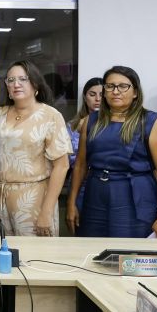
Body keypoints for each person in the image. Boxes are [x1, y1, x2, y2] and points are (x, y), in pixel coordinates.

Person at [67, 66, 157, 238]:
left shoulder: (151, 122)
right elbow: (80, 165)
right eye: (110, 86)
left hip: (134, 196)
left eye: (123, 86)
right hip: (94, 196)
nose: (115, 91)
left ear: (135, 92)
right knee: (92, 247)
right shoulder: (91, 120)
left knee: (129, 249)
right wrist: (72, 203)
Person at [0, 61, 71, 238]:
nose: (16, 84)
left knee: (35, 253)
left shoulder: (50, 116)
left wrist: (46, 212)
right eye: (11, 80)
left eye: (23, 79)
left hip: (35, 199)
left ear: (35, 83)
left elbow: (62, 166)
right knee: (2, 252)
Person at [66, 77, 103, 214]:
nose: (97, 99)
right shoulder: (73, 125)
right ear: (85, 97)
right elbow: (67, 157)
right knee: (77, 219)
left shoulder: (115, 125)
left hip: (103, 180)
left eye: (102, 95)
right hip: (79, 180)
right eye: (92, 94)